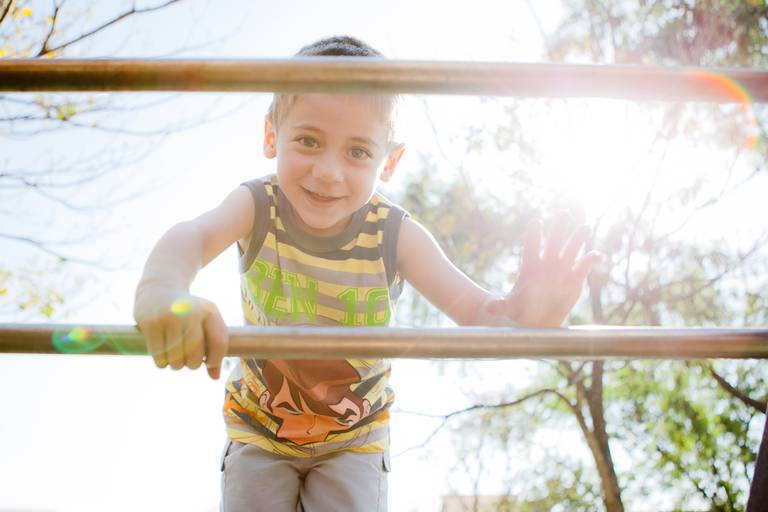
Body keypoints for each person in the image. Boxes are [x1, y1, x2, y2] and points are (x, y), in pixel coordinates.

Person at [133, 35, 602, 512]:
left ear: (389, 161)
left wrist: (525, 315)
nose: (329, 172)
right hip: (259, 427)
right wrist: (164, 290)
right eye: (308, 141)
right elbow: (192, 235)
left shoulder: (394, 233)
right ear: (272, 134)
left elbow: (476, 309)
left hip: (354, 439)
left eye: (357, 152)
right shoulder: (257, 204)